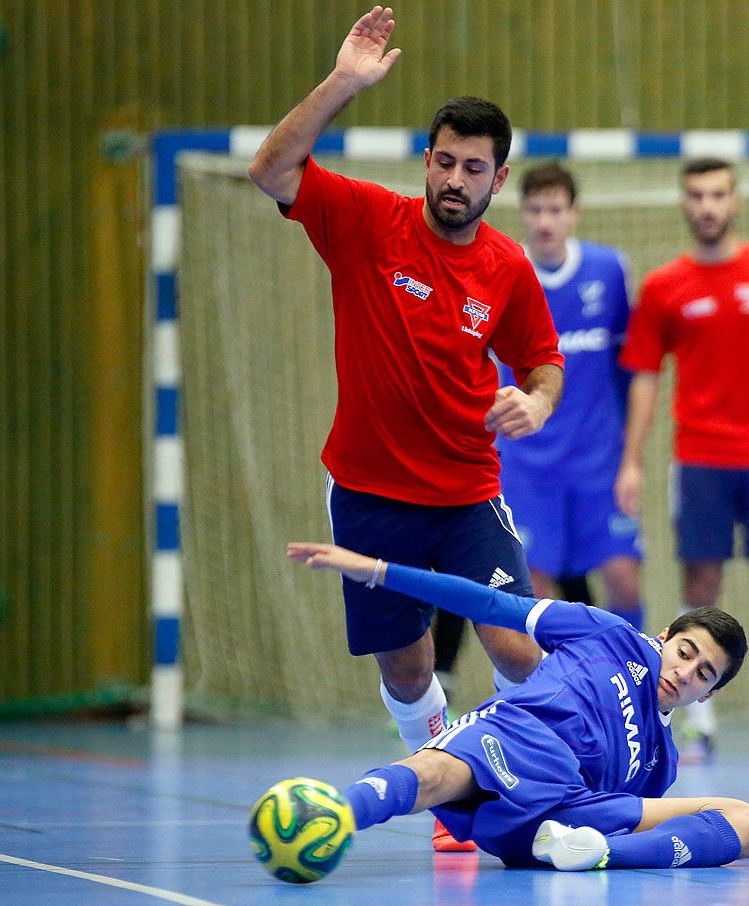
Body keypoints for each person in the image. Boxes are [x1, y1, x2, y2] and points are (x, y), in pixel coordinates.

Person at [247, 8, 564, 848]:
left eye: (475, 168)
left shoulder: (505, 267)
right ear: (427, 164)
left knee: (518, 648)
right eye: (446, 162)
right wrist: (345, 82)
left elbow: (542, 365)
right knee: (410, 665)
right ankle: (448, 794)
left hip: (467, 493)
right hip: (368, 491)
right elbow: (271, 167)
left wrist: (534, 404)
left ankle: (558, 780)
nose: (456, 179)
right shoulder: (364, 221)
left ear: (498, 182)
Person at [284, 541, 749, 871]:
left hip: (565, 817)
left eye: (703, 674)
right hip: (519, 742)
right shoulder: (608, 632)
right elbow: (489, 605)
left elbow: (623, 807)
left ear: (706, 695)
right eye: (685, 653)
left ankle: (598, 854)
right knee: (433, 775)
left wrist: (723, 837)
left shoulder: (659, 763)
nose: (684, 672)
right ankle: (331, 816)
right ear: (665, 638)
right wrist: (376, 571)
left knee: (743, 820)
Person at [615, 157, 749, 766]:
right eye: (696, 195)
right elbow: (646, 380)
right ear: (684, 204)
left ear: (736, 202)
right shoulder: (662, 287)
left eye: (718, 195)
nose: (707, 206)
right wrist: (631, 461)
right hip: (700, 459)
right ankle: (695, 726)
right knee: (699, 589)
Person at [498, 162, 644, 628]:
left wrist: (631, 458)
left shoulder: (609, 269)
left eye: (555, 209)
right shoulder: (503, 271)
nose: (545, 221)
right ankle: (548, 697)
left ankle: (631, 687)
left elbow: (633, 368)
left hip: (597, 461)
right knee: (533, 595)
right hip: (525, 463)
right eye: (536, 209)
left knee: (624, 578)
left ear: (574, 213)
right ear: (522, 211)